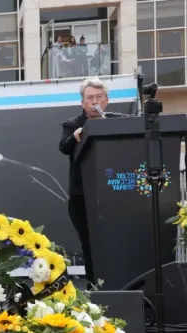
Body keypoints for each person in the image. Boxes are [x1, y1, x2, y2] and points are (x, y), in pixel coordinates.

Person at [59, 77, 125, 285]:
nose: (94, 101)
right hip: (83, 197)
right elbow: (63, 147)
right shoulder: (72, 124)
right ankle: (94, 285)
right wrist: (77, 135)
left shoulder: (115, 120)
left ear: (106, 100)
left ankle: (122, 282)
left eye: (99, 97)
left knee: (116, 240)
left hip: (115, 194)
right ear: (83, 102)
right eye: (90, 98)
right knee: (90, 243)